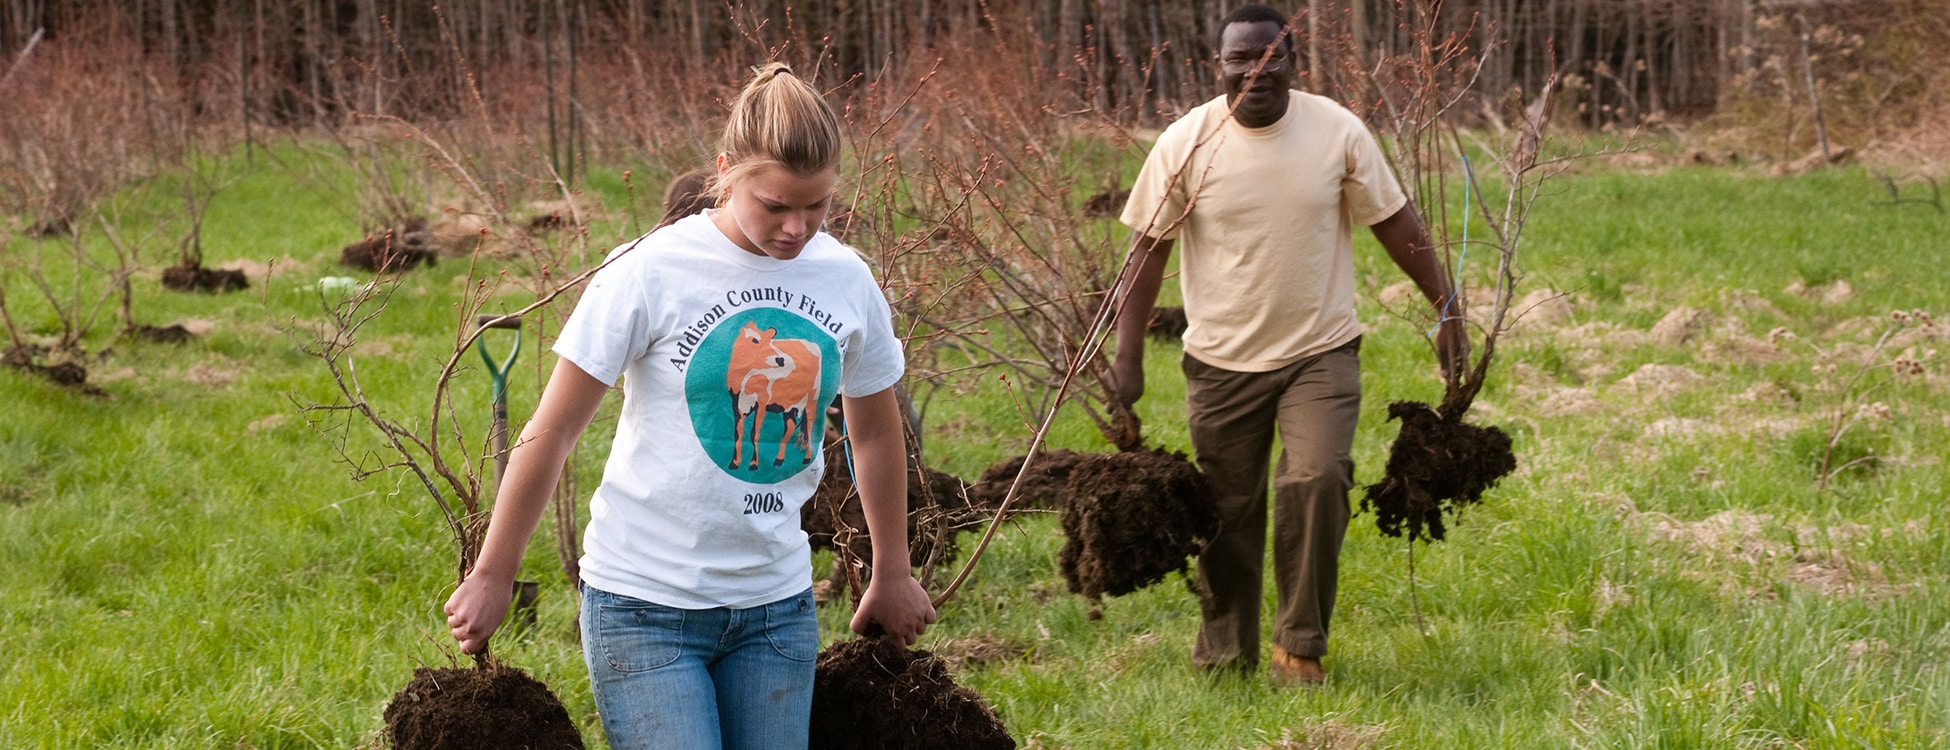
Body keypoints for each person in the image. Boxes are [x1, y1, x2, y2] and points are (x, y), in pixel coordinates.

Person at [444, 62, 936, 749]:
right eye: (774, 206)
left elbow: (877, 434)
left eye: (816, 206)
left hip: (775, 610)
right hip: (644, 606)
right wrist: (494, 575)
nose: (797, 228)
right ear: (726, 170)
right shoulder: (648, 270)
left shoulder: (845, 279)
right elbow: (551, 431)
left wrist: (892, 573)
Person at [1112, 3, 1467, 687]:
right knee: (1226, 511)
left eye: (1269, 57)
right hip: (1219, 361)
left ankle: (1299, 647)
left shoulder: (1337, 132)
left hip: (1320, 350)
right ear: (1217, 66)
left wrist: (1447, 306)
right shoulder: (1186, 142)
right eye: (1238, 59)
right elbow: (1145, 254)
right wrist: (1128, 358)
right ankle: (1225, 655)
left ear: (1294, 62)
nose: (1254, 72)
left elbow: (1395, 222)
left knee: (1319, 477)